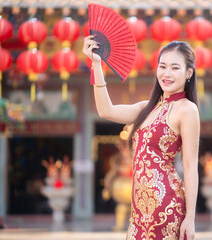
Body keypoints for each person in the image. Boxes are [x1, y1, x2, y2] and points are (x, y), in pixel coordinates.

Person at [83, 38, 200, 240]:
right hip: (139, 210)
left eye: (175, 68)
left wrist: (190, 217)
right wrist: (96, 63)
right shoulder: (147, 108)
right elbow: (105, 111)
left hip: (167, 206)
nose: (167, 73)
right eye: (162, 66)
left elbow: (190, 166)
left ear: (189, 73)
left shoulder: (187, 109)